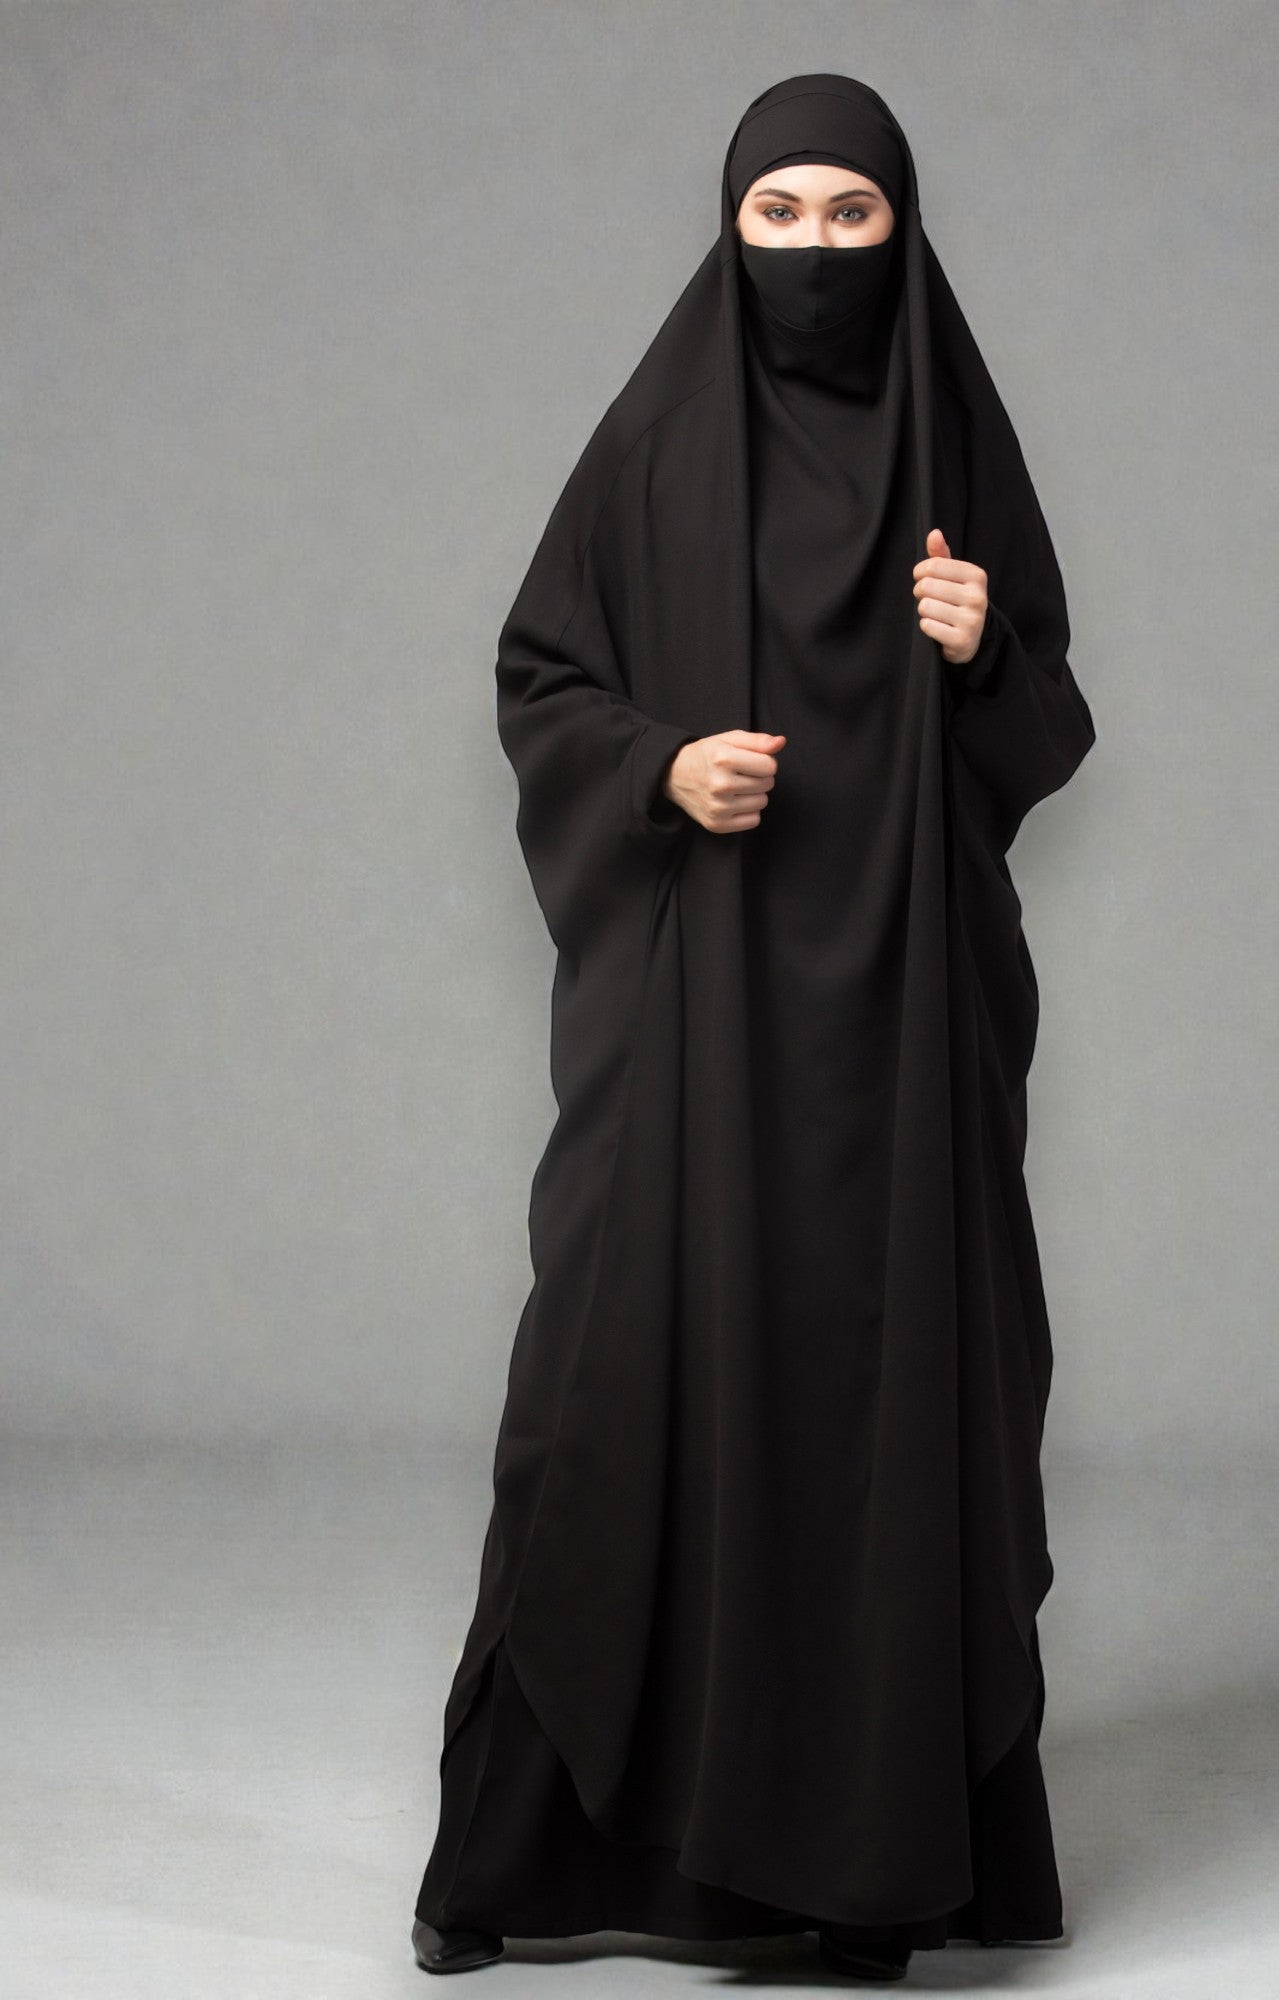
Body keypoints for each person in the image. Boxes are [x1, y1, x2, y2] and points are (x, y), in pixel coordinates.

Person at [410, 72, 1095, 1981]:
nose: (811, 251)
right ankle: (549, 1861)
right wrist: (657, 767)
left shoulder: (956, 449)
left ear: (902, 231)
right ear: (728, 229)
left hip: (903, 1032)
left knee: (889, 1400)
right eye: (776, 214)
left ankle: (859, 1878)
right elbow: (542, 677)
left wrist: (981, 652)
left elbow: (1050, 729)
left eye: (849, 217)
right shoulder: (653, 447)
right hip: (696, 1021)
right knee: (619, 1388)